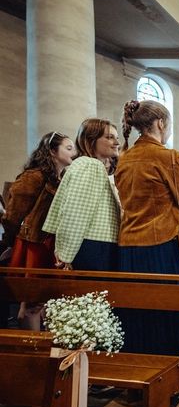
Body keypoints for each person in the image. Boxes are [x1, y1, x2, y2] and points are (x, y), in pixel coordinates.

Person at [117, 100, 179, 355]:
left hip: (128, 247)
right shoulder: (170, 157)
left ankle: (136, 369)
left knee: (135, 312)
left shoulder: (124, 158)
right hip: (161, 246)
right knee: (166, 311)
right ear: (161, 123)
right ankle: (169, 372)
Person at [1, 131, 75, 330]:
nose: (73, 153)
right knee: (31, 300)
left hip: (51, 243)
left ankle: (42, 343)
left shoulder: (61, 178)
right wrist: (9, 242)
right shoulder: (34, 176)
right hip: (33, 243)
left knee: (45, 300)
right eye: (68, 148)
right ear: (52, 151)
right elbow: (13, 214)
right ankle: (31, 348)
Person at [43, 119, 121, 271]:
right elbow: (75, 213)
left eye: (117, 137)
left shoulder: (89, 165)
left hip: (95, 244)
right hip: (93, 246)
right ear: (91, 140)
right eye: (110, 137)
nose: (117, 142)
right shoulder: (90, 166)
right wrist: (66, 254)